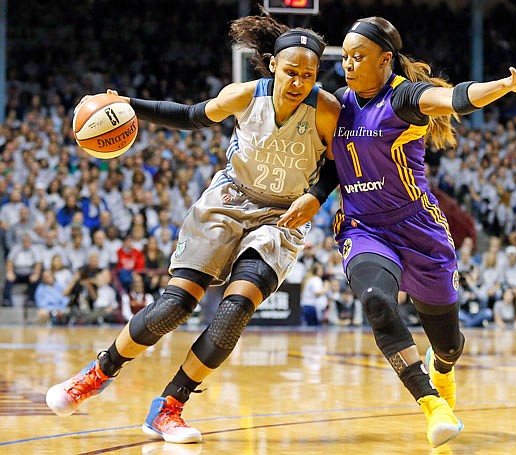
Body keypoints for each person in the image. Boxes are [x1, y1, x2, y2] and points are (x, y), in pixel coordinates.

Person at [46, 12, 339, 445]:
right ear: (274, 65)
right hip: (228, 201)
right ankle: (98, 372)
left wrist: (315, 196)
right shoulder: (243, 96)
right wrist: (129, 105)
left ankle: (169, 407)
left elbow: (336, 165)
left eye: (308, 74)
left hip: (280, 217)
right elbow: (191, 115)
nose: (299, 81)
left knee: (234, 312)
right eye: (292, 71)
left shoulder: (326, 109)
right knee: (175, 307)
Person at [281, 16, 516, 447]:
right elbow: (335, 165)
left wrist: (503, 87)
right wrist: (317, 196)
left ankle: (442, 368)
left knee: (448, 345)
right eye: (346, 56)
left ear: (385, 60)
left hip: (419, 229)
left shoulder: (404, 97)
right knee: (375, 301)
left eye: (359, 57)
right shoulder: (337, 102)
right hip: (363, 226)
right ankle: (432, 404)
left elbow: (455, 97)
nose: (348, 65)